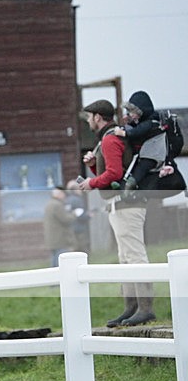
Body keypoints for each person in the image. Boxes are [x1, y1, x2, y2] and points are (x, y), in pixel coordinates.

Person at [78, 99, 155, 327]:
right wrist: (94, 167)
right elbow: (112, 173)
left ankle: (145, 308)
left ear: (98, 117)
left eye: (90, 117)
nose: (89, 121)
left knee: (134, 257)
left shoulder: (110, 139)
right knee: (125, 258)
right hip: (121, 205)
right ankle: (131, 307)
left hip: (126, 205)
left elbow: (113, 174)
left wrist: (91, 182)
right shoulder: (108, 138)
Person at [112, 91, 167, 194]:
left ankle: (131, 183)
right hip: (148, 152)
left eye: (132, 112)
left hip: (152, 155)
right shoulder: (149, 121)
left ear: (141, 112)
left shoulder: (150, 123)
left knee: (140, 169)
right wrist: (128, 122)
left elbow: (138, 131)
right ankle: (124, 184)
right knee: (135, 166)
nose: (131, 115)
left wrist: (123, 133)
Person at [43, 187, 77, 267]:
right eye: (63, 194)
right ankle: (59, 278)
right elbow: (65, 219)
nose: (64, 196)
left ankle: (53, 277)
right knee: (61, 262)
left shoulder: (49, 204)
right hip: (60, 238)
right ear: (59, 194)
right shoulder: (57, 205)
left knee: (54, 259)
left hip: (52, 238)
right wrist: (74, 214)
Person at [65, 180, 91, 254]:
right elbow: (80, 215)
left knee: (73, 250)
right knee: (82, 250)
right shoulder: (77, 200)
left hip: (70, 229)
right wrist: (88, 215)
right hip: (79, 229)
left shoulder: (67, 200)